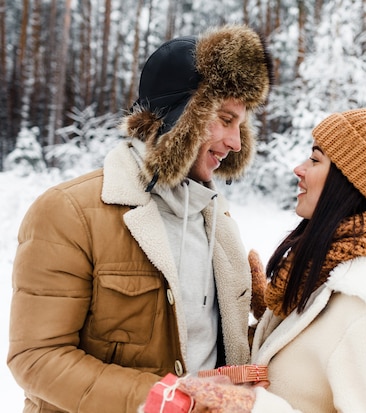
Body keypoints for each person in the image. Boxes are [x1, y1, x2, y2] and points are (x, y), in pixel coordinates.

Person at [7, 24, 273, 413]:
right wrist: (166, 400)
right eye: (226, 119)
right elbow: (37, 358)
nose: (235, 142)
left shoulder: (217, 221)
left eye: (241, 125)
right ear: (181, 117)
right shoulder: (70, 212)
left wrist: (278, 324)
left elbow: (207, 348)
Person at [172, 99, 366, 412]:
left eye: (315, 160)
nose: (299, 169)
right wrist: (274, 320)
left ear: (349, 182)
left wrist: (253, 406)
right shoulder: (322, 277)